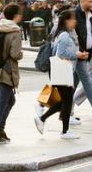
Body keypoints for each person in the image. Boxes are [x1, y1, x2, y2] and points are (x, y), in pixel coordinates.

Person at [34, 9, 80, 140]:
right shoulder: (65, 35)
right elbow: (60, 54)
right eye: (73, 19)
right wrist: (77, 54)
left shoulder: (61, 33)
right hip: (62, 72)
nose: (75, 21)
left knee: (64, 101)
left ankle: (44, 119)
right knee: (66, 101)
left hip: (59, 71)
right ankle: (63, 131)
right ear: (67, 21)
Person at [0, 2, 24, 144]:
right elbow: (14, 54)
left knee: (10, 100)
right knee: (2, 102)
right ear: (16, 16)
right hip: (7, 71)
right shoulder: (15, 31)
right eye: (20, 13)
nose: (21, 16)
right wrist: (21, 54)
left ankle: (0, 130)